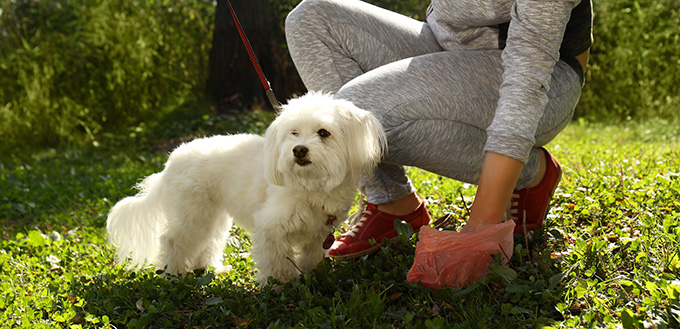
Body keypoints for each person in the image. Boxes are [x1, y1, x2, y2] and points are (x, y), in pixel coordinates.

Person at [285, 0, 592, 259]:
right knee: (310, 19)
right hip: (443, 45)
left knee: (353, 114)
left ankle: (531, 172)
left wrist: (482, 227)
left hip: (545, 76)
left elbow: (528, 77)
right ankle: (392, 202)